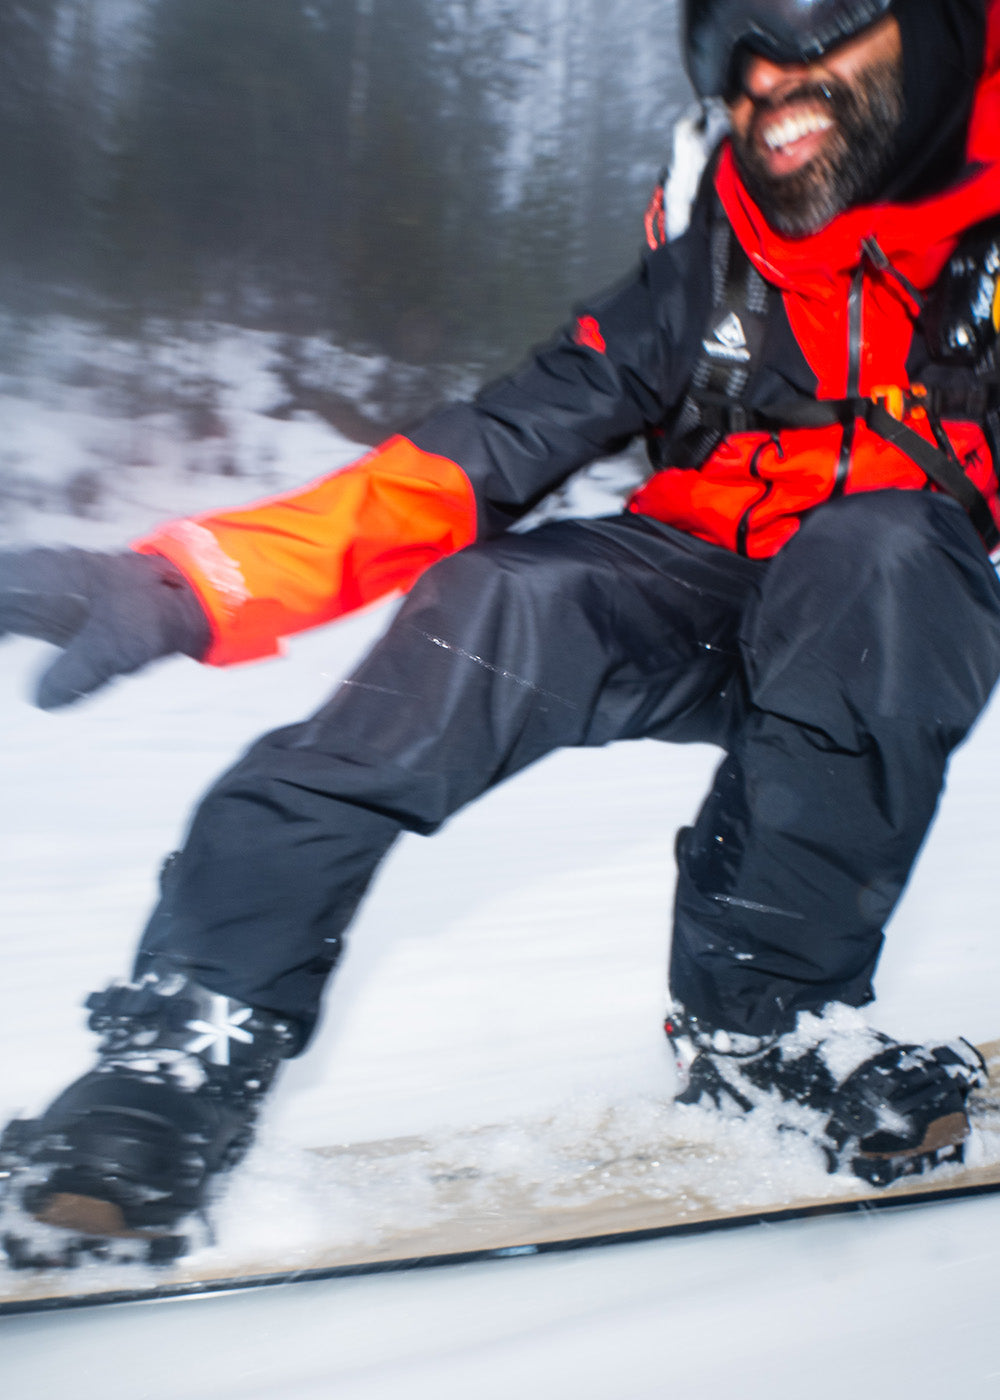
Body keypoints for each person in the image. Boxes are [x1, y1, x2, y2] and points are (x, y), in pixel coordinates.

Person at [2, 0, 1000, 1265]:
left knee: (886, 548)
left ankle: (766, 1026)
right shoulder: (701, 273)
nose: (766, 68)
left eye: (812, 18)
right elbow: (469, 454)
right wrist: (196, 579)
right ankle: (184, 1044)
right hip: (688, 583)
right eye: (729, 43)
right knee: (500, 596)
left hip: (884, 613)